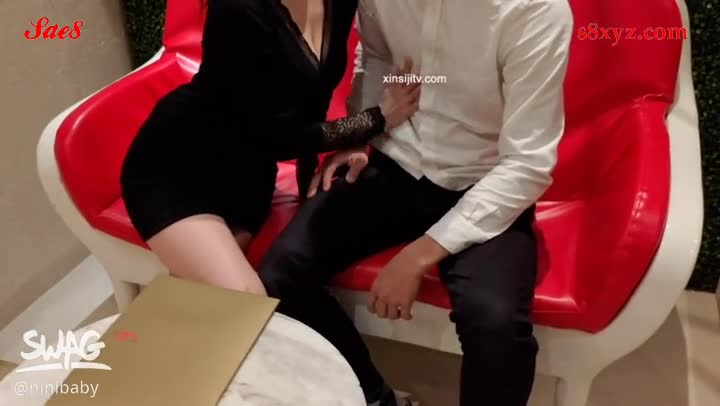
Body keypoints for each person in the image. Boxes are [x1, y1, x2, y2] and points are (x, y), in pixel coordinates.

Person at [258, 0, 573, 405]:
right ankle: (373, 397)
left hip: (485, 180)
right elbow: (376, 55)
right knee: (281, 274)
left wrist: (418, 255)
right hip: (396, 162)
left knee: (495, 325)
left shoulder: (535, 10)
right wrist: (359, 134)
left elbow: (527, 163)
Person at [120, 0, 420, 295]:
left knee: (207, 301)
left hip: (248, 180)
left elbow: (314, 100)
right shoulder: (237, 10)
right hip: (178, 169)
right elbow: (269, 136)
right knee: (246, 299)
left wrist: (321, 173)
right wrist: (375, 120)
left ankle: (152, 327)